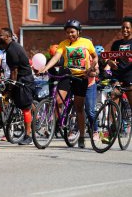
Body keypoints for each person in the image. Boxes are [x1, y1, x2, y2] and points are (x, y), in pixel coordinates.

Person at [40, 19, 98, 148]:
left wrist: (91, 67)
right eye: (67, 32)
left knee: (79, 108)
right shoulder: (63, 44)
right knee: (58, 101)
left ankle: (82, 136)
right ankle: (59, 123)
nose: (70, 34)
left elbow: (95, 57)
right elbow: (56, 57)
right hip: (67, 74)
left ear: (78, 32)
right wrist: (45, 67)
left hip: (81, 76)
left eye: (72, 32)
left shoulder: (86, 42)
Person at [0, 28, 35, 145]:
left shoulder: (12, 50)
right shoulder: (9, 49)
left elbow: (14, 72)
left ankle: (28, 135)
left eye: (0, 36)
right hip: (18, 78)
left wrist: (10, 88)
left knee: (25, 107)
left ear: (8, 37)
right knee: (4, 98)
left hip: (24, 79)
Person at [108, 17, 132, 122]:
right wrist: (110, 62)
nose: (125, 30)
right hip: (117, 76)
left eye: (127, 28)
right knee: (114, 96)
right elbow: (109, 59)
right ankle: (111, 129)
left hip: (130, 76)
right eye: (123, 28)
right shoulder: (116, 44)